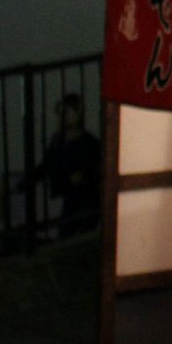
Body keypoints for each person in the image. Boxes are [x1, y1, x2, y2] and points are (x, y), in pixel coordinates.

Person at [34, 93, 100, 238]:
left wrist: (81, 176)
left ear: (78, 113)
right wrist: (26, 182)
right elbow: (47, 164)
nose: (62, 117)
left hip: (86, 199)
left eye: (66, 112)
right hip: (68, 197)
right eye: (60, 113)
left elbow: (95, 170)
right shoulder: (58, 140)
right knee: (65, 236)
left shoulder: (89, 143)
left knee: (76, 237)